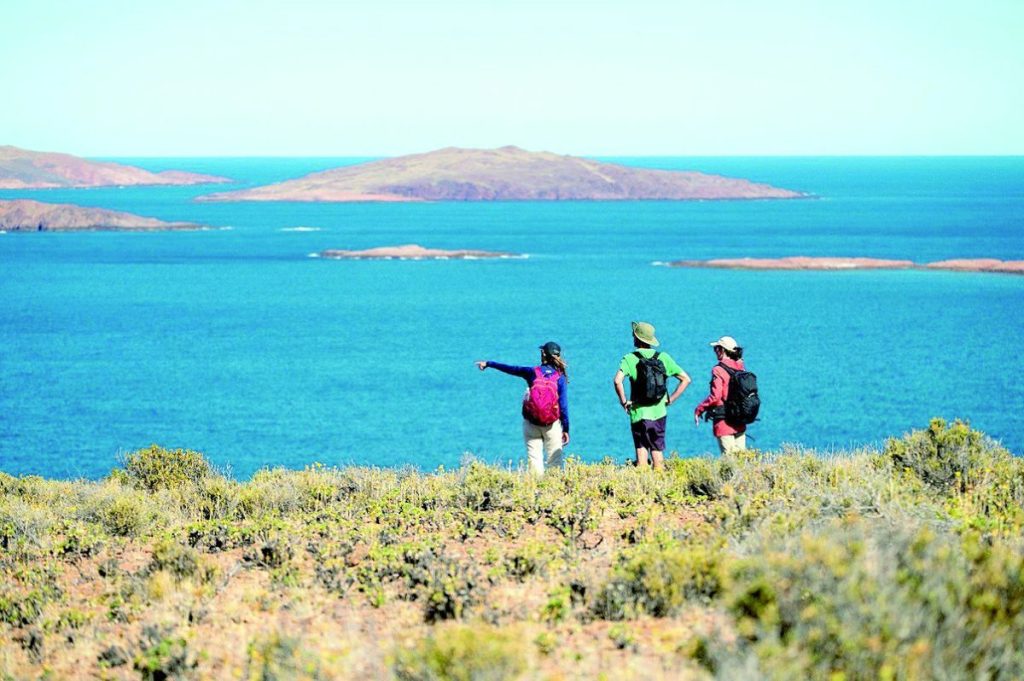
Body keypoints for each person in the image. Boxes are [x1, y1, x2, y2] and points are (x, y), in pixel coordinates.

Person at [476, 342, 569, 475]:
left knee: (534, 460)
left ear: (543, 355)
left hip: (531, 423)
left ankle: (536, 490)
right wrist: (565, 429)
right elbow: (564, 407)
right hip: (551, 424)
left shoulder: (532, 372)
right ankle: (555, 490)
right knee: (555, 461)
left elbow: (511, 369)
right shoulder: (560, 378)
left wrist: (489, 363)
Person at [613, 321, 691, 469]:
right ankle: (659, 486)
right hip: (659, 412)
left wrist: (624, 402)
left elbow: (617, 381)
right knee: (657, 452)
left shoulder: (630, 358)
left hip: (638, 413)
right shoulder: (664, 358)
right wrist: (671, 399)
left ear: (637, 338)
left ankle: (643, 487)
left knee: (641, 453)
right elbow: (686, 379)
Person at [694, 335, 748, 453]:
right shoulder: (741, 367)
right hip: (740, 419)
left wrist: (700, 409)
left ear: (722, 350)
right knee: (742, 459)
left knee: (729, 460)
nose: (715, 351)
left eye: (716, 348)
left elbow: (716, 396)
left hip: (724, 420)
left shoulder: (718, 370)